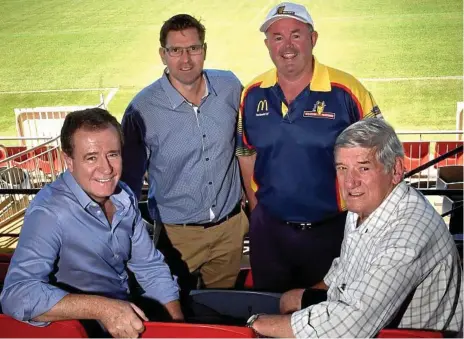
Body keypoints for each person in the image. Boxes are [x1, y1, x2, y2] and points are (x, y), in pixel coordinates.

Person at [246, 119, 463, 338]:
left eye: (363, 168)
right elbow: (345, 268)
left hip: (403, 333)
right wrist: (309, 295)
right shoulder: (365, 205)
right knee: (289, 299)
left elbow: (351, 325)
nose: (350, 183)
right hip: (366, 316)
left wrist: (256, 324)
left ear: (396, 170)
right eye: (342, 168)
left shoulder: (409, 235)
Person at [236, 1, 383, 292]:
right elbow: (246, 153)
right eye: (277, 37)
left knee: (330, 318)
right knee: (271, 314)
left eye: (296, 35)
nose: (287, 46)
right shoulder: (252, 93)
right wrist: (258, 212)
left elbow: (382, 155)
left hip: (332, 232)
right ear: (267, 44)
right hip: (270, 235)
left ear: (313, 39)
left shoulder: (347, 91)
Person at [0, 108, 183, 338]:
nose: (106, 168)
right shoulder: (49, 213)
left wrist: (178, 326)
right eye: (91, 157)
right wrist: (102, 308)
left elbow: (150, 267)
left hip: (122, 318)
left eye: (113, 154)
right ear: (69, 161)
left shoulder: (123, 196)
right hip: (80, 331)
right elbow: (16, 294)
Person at [121, 14, 248, 289]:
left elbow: (246, 145)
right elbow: (128, 180)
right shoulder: (141, 109)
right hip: (177, 236)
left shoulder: (230, 87)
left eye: (193, 48)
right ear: (162, 55)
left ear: (204, 50)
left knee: (221, 313)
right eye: (176, 50)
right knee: (175, 312)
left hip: (230, 229)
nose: (186, 59)